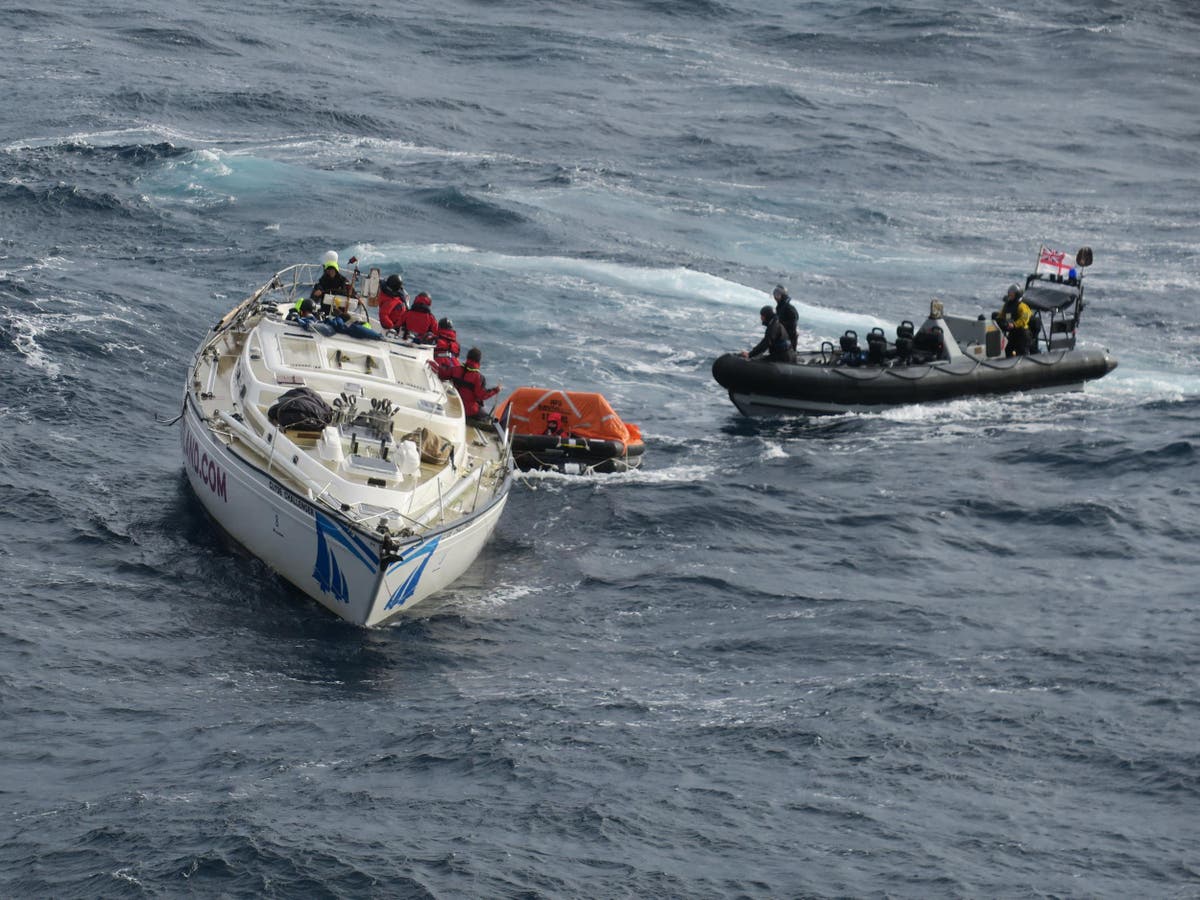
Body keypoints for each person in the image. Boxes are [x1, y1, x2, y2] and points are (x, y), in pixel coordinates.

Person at [454, 347, 502, 421]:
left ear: (467, 357)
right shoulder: (478, 378)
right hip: (469, 411)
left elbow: (443, 373)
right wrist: (496, 390)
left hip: (455, 405)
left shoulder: (455, 369)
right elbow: (482, 395)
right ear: (479, 360)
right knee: (489, 419)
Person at [994, 283, 1032, 357]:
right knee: (1008, 350)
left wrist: (1014, 324)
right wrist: (997, 320)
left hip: (1022, 333)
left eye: (1012, 294)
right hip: (1013, 333)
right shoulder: (1007, 305)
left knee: (1022, 352)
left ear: (1017, 295)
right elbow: (1001, 314)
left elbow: (1025, 318)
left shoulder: (1022, 306)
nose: (1010, 295)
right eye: (1009, 294)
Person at [772, 284, 799, 351]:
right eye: (775, 294)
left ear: (783, 296)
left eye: (777, 294)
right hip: (782, 336)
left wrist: (779, 324)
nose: (775, 297)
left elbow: (793, 322)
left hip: (789, 338)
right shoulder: (780, 307)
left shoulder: (789, 308)